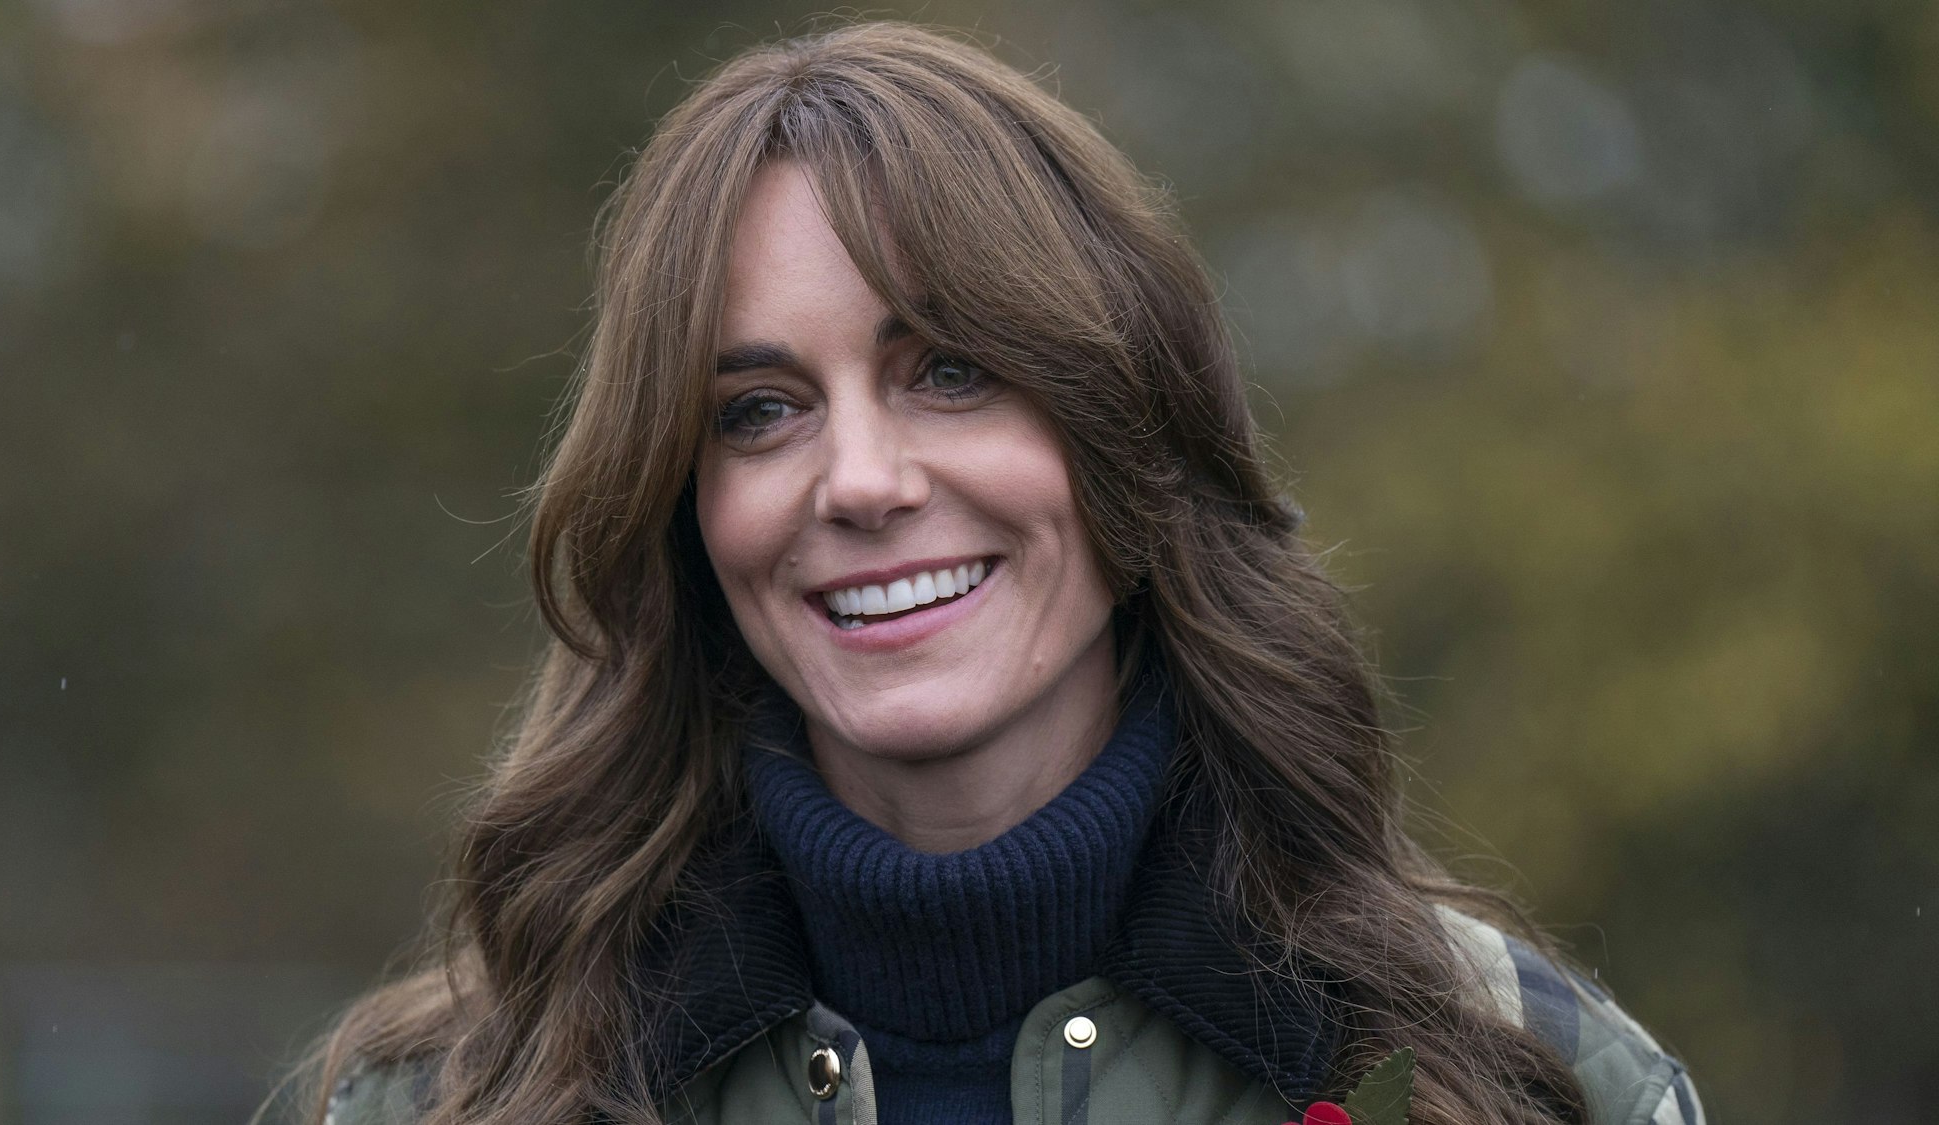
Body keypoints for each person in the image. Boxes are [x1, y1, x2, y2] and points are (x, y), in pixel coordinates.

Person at [306, 21, 1701, 1125]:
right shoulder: (454, 1103)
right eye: (760, 410)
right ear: (681, 507)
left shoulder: (1519, 1083)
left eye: (952, 371)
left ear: (1126, 431)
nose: (860, 479)